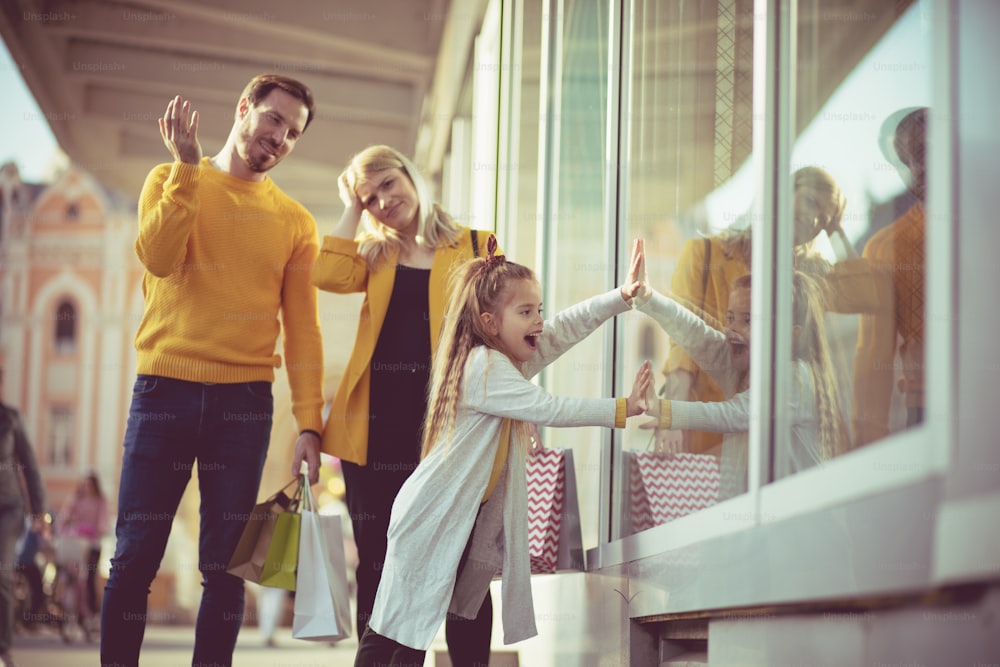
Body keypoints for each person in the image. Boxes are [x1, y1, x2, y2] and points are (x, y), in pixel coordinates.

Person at [100, 74, 325, 667]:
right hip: (163, 391)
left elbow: (304, 329)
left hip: (244, 406)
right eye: (274, 120)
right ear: (244, 108)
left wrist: (310, 424)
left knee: (225, 570)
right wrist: (187, 171)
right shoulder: (169, 179)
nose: (280, 139)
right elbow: (157, 258)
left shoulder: (296, 223)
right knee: (133, 560)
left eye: (293, 133)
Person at [353, 237, 652, 666]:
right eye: (526, 312)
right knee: (397, 631)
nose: (540, 321)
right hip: (431, 520)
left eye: (539, 309)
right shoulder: (486, 365)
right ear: (491, 323)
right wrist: (624, 408)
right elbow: (550, 407)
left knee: (452, 616)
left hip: (461, 522)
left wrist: (618, 298)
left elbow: (564, 328)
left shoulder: (504, 359)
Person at [311, 144, 497, 665]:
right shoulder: (373, 253)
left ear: (409, 175)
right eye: (370, 198)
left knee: (464, 561)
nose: (383, 201)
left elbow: (508, 326)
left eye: (388, 185)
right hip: (372, 431)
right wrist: (351, 207)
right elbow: (327, 273)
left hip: (451, 432)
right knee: (378, 560)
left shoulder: (478, 243)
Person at [656, 166, 870, 458]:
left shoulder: (807, 277)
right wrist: (672, 420)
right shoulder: (703, 254)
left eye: (825, 216)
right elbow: (683, 347)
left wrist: (836, 232)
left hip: (773, 448)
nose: (815, 218)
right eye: (809, 202)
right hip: (708, 430)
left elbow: (865, 294)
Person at [639, 262, 850, 499]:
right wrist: (647, 298)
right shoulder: (744, 367)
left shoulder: (796, 378)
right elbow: (697, 335)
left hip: (795, 525)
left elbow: (729, 415)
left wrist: (662, 409)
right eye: (731, 317)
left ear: (789, 337)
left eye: (749, 320)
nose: (732, 329)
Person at [853, 107, 928, 446]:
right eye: (906, 159)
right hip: (927, 409)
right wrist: (869, 443)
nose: (915, 168)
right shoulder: (885, 248)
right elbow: (874, 354)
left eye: (925, 152)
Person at [1, 371, 48, 667]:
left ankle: (2, 648)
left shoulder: (11, 419)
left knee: (1, 571)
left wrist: (39, 511)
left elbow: (29, 465)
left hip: (8, 507)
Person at [57, 472, 107, 631]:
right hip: (76, 544)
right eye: (85, 484)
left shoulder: (100, 501)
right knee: (71, 576)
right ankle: (68, 610)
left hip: (92, 545)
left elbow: (103, 522)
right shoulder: (76, 500)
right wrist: (64, 528)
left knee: (90, 579)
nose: (87, 488)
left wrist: (95, 530)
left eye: (90, 485)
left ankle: (90, 614)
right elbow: (64, 517)